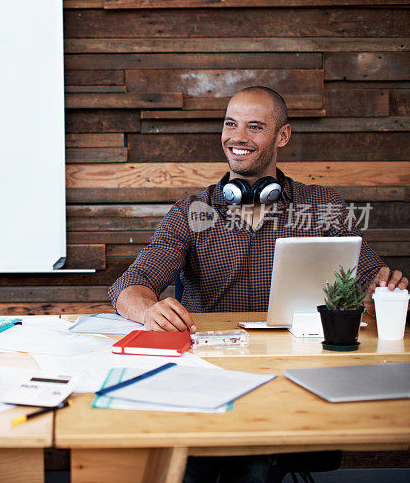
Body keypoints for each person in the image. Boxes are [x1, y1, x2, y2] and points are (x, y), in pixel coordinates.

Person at [110, 86, 408, 333]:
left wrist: (380, 290)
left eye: (255, 127)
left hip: (302, 353)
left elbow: (368, 273)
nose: (238, 137)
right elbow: (130, 286)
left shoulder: (323, 205)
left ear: (282, 136)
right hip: (213, 355)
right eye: (231, 124)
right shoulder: (191, 211)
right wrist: (149, 310)